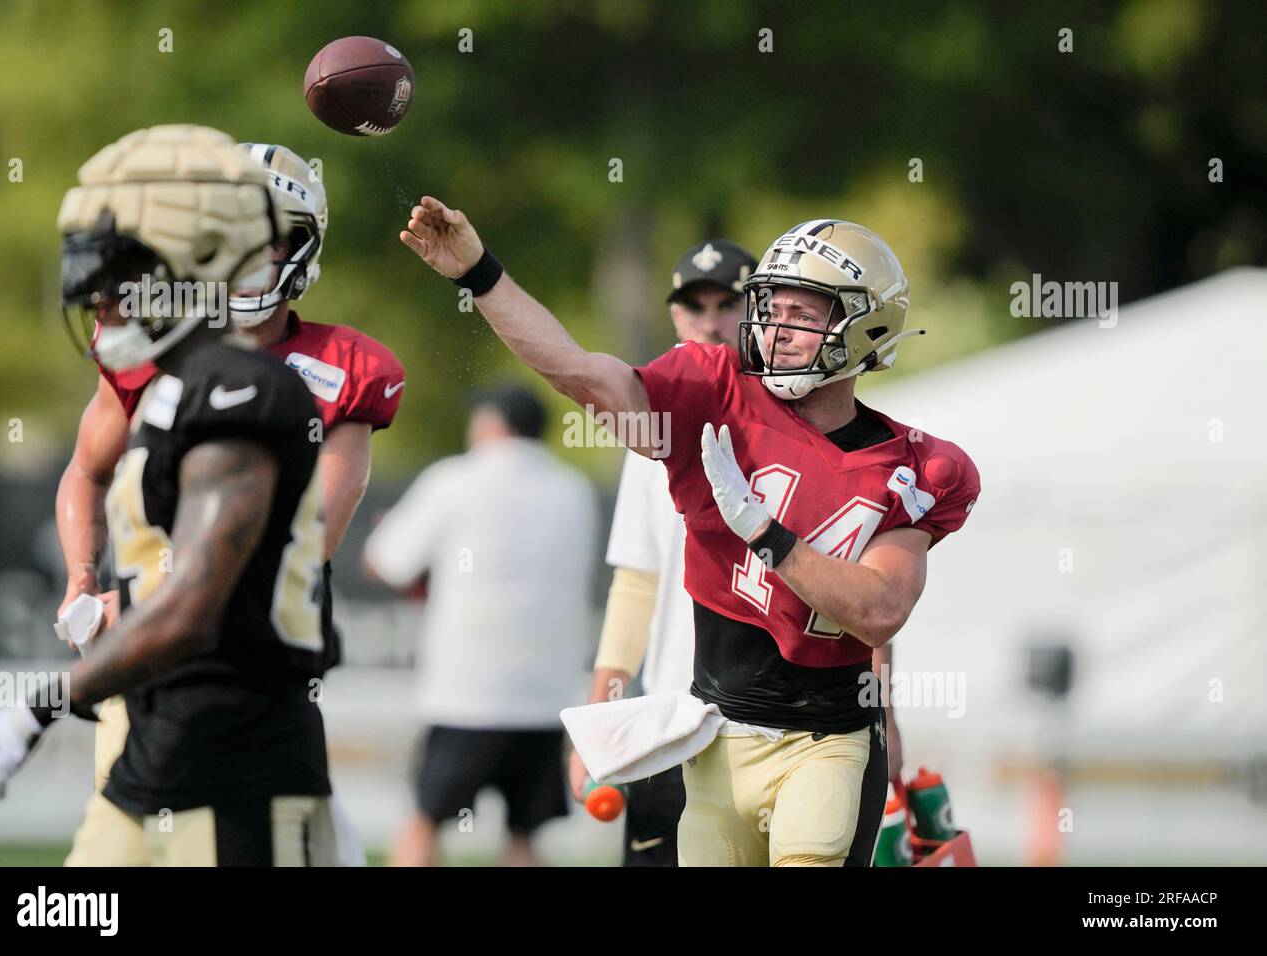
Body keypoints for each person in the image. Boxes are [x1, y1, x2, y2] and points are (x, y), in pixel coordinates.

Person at [398, 199, 980, 866]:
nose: (778, 329)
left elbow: (878, 611)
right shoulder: (713, 386)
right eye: (773, 309)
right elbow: (580, 372)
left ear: (864, 326)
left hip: (830, 739)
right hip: (715, 734)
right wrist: (480, 274)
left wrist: (766, 533)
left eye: (804, 314)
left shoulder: (915, 465)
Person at [0, 124, 343, 865]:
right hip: (154, 749)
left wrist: (42, 705)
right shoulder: (175, 391)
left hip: (233, 767)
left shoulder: (239, 393)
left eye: (130, 271)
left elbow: (191, 607)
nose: (106, 297)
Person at [54, 142, 404, 866]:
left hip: (248, 681)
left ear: (298, 249)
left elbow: (310, 533)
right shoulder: (145, 347)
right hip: (144, 672)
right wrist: (83, 579)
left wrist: (154, 603)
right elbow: (85, 473)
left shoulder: (343, 368)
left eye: (263, 233)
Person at [568, 238, 756, 867]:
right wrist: (606, 704)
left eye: (728, 302)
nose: (710, 319)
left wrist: (880, 708)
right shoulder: (654, 419)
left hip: (773, 720)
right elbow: (638, 580)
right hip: (675, 713)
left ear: (757, 310)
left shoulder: (798, 413)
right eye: (694, 304)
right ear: (675, 314)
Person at [364, 387, 598, 866]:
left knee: (424, 820)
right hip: (545, 693)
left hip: (466, 693)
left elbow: (387, 561)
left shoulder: (454, 480)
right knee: (524, 836)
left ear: (491, 424)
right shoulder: (574, 490)